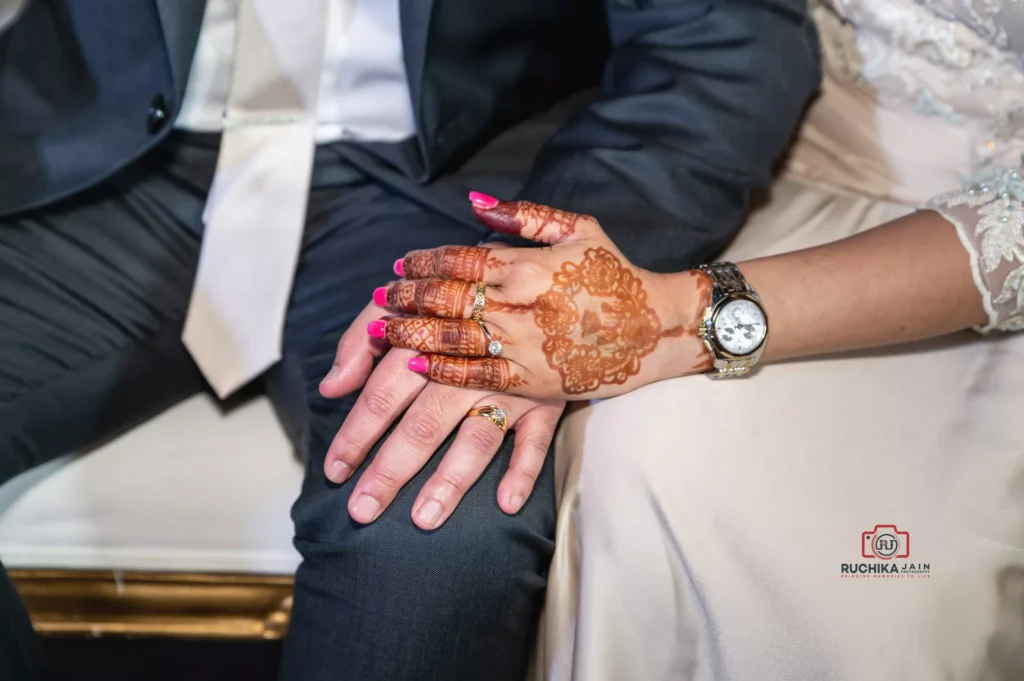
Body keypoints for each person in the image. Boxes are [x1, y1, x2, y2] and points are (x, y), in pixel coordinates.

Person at [0, 0, 820, 679]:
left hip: (457, 187)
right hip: (104, 163)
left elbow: (718, 42)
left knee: (431, 527)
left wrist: (552, 273)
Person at [375, 1, 1024, 679]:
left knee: (862, 592)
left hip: (971, 270)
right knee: (637, 452)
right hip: (780, 157)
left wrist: (678, 314)